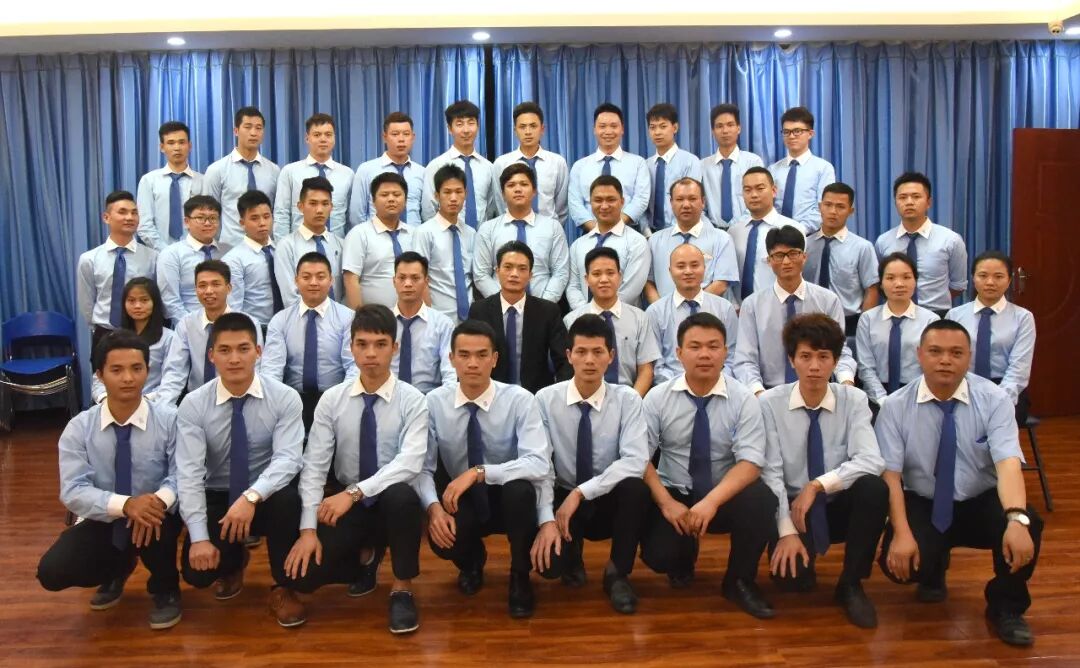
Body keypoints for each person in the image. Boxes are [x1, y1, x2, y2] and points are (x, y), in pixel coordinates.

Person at [876, 320, 1043, 647]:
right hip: (924, 501)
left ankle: (1006, 606)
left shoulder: (994, 399)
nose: (945, 360)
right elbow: (891, 477)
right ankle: (933, 568)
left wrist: (1016, 518)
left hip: (979, 499)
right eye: (935, 351)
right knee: (900, 568)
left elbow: (1008, 465)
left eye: (956, 353)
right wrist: (902, 533)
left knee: (1029, 525)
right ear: (919, 355)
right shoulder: (895, 406)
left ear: (969, 357)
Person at [284, 305, 428, 634]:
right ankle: (366, 558)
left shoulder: (413, 400)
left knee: (403, 496)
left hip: (390, 501)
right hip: (349, 504)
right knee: (304, 578)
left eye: (380, 344)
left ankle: (402, 588)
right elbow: (314, 466)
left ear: (395, 348)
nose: (371, 353)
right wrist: (308, 531)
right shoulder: (333, 399)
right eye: (362, 344)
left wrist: (354, 492)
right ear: (351, 348)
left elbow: (410, 462)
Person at [36, 331, 183, 630]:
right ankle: (115, 569)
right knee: (52, 571)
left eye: (136, 368)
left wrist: (156, 502)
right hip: (107, 515)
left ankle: (166, 588)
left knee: (157, 525)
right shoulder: (79, 428)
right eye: (117, 370)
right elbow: (73, 490)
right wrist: (127, 505)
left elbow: (184, 473)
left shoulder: (170, 419)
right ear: (100, 375)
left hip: (158, 514)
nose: (128, 378)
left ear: (147, 371)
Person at [639, 313, 779, 619]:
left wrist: (712, 502)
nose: (705, 354)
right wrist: (666, 503)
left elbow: (751, 462)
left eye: (713, 346)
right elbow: (639, 457)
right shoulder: (657, 398)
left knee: (761, 498)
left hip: (722, 495)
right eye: (695, 346)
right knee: (659, 556)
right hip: (676, 494)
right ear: (679, 353)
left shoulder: (744, 400)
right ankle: (682, 557)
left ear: (726, 352)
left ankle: (739, 581)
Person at [175, 312, 306, 627]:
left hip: (266, 494)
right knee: (197, 574)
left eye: (243, 349)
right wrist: (198, 537)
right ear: (211, 356)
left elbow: (289, 459)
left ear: (258, 352)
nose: (234, 359)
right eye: (225, 350)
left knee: (288, 500)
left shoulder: (284, 398)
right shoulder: (193, 404)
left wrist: (251, 496)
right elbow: (189, 474)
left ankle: (283, 586)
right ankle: (232, 563)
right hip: (219, 494)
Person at [759, 314, 888, 629]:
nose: (814, 366)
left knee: (874, 488)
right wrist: (786, 531)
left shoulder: (854, 399)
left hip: (836, 502)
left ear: (836, 361)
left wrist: (817, 485)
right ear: (792, 360)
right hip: (794, 508)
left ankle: (851, 584)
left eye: (823, 357)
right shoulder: (770, 403)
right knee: (791, 582)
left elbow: (871, 460)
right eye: (805, 356)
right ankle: (800, 549)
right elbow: (770, 472)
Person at [420, 320, 552, 618]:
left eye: (482, 355)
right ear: (451, 359)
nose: (473, 364)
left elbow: (538, 462)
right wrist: (433, 509)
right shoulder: (434, 403)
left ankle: (520, 575)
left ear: (495, 359)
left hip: (508, 494)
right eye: (464, 355)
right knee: (443, 537)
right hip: (463, 497)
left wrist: (480, 472)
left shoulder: (520, 400)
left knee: (520, 491)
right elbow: (422, 468)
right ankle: (471, 562)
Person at [531, 315, 651, 614]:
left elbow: (635, 460)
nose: (589, 360)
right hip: (562, 494)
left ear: (611, 356)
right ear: (568, 355)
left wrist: (582, 492)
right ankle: (572, 558)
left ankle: (617, 574)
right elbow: (540, 463)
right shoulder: (545, 399)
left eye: (598, 352)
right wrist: (546, 518)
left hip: (605, 494)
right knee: (550, 567)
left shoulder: (628, 400)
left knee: (635, 488)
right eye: (581, 352)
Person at [734, 226, 855, 394]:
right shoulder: (752, 305)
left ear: (804, 257)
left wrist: (846, 384)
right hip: (770, 391)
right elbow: (745, 360)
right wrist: (759, 394)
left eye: (792, 254)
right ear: (769, 261)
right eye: (779, 255)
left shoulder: (828, 300)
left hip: (819, 390)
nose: (786, 262)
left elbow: (839, 351)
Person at [261, 252, 355, 433]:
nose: (313, 282)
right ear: (296, 281)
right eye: (306, 277)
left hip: (336, 399)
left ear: (331, 280)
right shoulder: (280, 320)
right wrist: (275, 404)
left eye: (320, 277)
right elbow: (272, 369)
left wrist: (344, 401)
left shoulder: (348, 318)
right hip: (292, 400)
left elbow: (353, 366)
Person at [468, 241, 572, 394]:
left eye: (522, 269)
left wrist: (555, 396)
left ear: (530, 275)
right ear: (497, 271)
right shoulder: (479, 311)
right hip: (491, 396)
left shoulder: (548, 311)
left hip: (536, 396)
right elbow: (470, 356)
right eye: (508, 267)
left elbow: (565, 360)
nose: (514, 274)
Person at [156, 260, 264, 405]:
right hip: (197, 401)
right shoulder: (187, 324)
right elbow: (175, 372)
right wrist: (162, 409)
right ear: (195, 290)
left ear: (229, 288)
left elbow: (256, 369)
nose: (208, 291)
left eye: (215, 284)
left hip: (239, 398)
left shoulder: (248, 323)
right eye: (202, 285)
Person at [946, 251, 1036, 424]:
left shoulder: (1023, 317)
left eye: (998, 276)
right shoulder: (955, 315)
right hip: (963, 385)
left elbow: (1019, 369)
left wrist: (998, 401)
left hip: (1005, 387)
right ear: (973, 278)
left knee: (996, 423)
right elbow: (950, 359)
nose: (990, 282)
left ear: (1009, 280)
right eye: (983, 275)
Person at [563, 247, 659, 396]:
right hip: (586, 398)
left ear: (620, 276)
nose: (604, 280)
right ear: (586, 279)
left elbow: (646, 370)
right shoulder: (571, 320)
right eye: (596, 274)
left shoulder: (640, 318)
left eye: (610, 273)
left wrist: (631, 402)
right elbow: (567, 370)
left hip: (630, 396)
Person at [473, 162, 570, 302]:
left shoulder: (553, 227)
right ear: (502, 194)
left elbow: (560, 272)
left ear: (534, 191)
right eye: (511, 185)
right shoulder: (487, 229)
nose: (518, 189)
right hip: (499, 308)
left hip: (543, 305)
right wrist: (504, 303)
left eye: (524, 184)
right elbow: (481, 274)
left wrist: (544, 305)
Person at [874, 172, 968, 316]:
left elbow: (958, 286)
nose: (909, 202)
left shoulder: (950, 240)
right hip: (897, 315)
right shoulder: (883, 241)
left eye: (916, 197)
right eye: (902, 197)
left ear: (929, 202)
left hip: (937, 314)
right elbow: (880, 281)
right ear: (895, 203)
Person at [856, 253, 940, 409]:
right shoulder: (868, 319)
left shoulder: (931, 320)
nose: (899, 284)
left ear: (915, 281)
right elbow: (865, 366)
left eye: (906, 277)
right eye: (890, 278)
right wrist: (883, 400)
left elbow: (932, 366)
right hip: (876, 396)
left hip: (918, 396)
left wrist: (912, 398)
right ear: (881, 283)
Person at [78, 190, 158, 351]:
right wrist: (97, 327)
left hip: (141, 333)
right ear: (106, 217)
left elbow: (157, 297)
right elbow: (87, 302)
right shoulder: (89, 259)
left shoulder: (153, 257)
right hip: (104, 333)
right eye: (122, 212)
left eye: (134, 213)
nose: (130, 217)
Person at [647, 244, 740, 382]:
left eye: (695, 265)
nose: (688, 271)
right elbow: (656, 365)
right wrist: (681, 385)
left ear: (704, 268)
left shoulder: (724, 309)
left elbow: (732, 357)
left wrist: (716, 382)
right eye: (681, 266)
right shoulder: (655, 312)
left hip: (719, 385)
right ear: (670, 271)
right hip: (672, 386)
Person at [802, 182, 879, 337]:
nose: (833, 211)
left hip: (848, 323)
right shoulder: (805, 245)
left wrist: (863, 327)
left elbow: (872, 289)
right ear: (820, 207)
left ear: (851, 211)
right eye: (828, 205)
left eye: (840, 207)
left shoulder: (862, 247)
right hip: (809, 321)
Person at [644, 177, 738, 302]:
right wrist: (663, 310)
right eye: (680, 199)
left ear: (703, 202)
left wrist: (692, 307)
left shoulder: (722, 239)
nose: (686, 205)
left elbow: (721, 283)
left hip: (707, 311)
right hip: (664, 312)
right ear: (671, 203)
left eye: (692, 199)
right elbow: (648, 283)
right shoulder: (654, 241)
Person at [567, 103, 650, 241]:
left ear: (622, 129)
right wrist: (597, 229)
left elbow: (641, 199)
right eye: (602, 126)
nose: (608, 131)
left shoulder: (638, 163)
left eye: (613, 126)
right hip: (590, 233)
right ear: (594, 129)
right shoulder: (580, 166)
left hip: (628, 232)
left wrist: (615, 227)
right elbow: (574, 203)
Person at [566, 175, 651, 310]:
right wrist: (587, 313)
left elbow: (631, 289)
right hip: (583, 318)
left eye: (611, 200)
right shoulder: (578, 245)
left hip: (623, 318)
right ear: (591, 203)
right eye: (598, 200)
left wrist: (603, 312)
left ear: (622, 202)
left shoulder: (637, 242)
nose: (604, 206)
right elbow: (573, 286)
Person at [199, 107, 281, 245]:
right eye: (247, 127)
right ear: (236, 131)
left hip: (264, 246)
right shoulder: (216, 170)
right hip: (230, 246)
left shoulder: (274, 171)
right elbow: (209, 213)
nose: (253, 133)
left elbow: (277, 212)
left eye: (258, 128)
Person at [90, 278, 177, 404]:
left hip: (153, 403)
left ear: (155, 302)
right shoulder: (113, 337)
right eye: (131, 300)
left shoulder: (170, 338)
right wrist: (104, 399)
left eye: (144, 300)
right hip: (114, 403)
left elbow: (172, 379)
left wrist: (145, 401)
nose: (137, 306)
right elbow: (99, 377)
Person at [728, 167, 806, 302]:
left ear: (774, 191)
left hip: (777, 306)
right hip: (739, 308)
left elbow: (796, 274)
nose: (753, 195)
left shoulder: (794, 229)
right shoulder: (733, 232)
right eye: (747, 190)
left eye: (760, 188)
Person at [342, 172, 416, 309]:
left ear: (405, 201)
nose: (391, 199)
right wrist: (360, 317)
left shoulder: (414, 234)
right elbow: (351, 280)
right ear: (373, 201)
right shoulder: (359, 234)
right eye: (384, 195)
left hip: (410, 315)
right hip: (373, 318)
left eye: (397, 194)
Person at [412, 164, 476, 323]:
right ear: (436, 195)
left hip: (470, 318)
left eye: (459, 192)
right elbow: (419, 278)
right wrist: (430, 318)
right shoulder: (424, 232)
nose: (453, 198)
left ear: (466, 194)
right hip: (438, 317)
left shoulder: (471, 233)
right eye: (447, 192)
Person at [421, 100, 500, 226]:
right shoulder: (436, 166)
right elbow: (428, 208)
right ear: (449, 129)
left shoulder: (488, 167)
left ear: (478, 126)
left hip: (481, 234)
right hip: (445, 234)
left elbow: (491, 208)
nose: (466, 130)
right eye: (459, 124)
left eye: (471, 123)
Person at [274, 113, 353, 238]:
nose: (323, 139)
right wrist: (283, 246)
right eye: (317, 135)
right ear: (307, 138)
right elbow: (281, 214)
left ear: (334, 138)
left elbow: (350, 218)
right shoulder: (290, 172)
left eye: (328, 135)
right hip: (299, 245)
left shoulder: (347, 174)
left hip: (336, 245)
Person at [156, 195, 230, 323]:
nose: (208, 223)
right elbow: (170, 302)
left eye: (213, 218)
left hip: (228, 324)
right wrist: (194, 326)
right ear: (186, 222)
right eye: (200, 218)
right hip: (188, 324)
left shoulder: (228, 251)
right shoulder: (171, 254)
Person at [492, 102, 569, 223]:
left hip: (548, 230)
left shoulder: (557, 162)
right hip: (512, 230)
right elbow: (500, 204)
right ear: (515, 130)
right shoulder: (501, 164)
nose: (528, 132)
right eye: (522, 127)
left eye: (533, 126)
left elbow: (561, 207)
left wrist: (552, 228)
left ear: (542, 129)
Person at [391, 252, 456, 393]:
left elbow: (450, 374)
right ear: (394, 281)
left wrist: (440, 401)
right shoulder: (382, 322)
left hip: (429, 397)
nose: (408, 284)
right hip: (389, 397)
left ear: (426, 281)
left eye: (415, 278)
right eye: (402, 278)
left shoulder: (443, 324)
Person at [274, 176, 345, 306]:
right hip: (302, 317)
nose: (319, 210)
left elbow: (345, 291)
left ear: (331, 207)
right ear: (300, 206)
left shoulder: (341, 245)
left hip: (338, 317)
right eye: (313, 203)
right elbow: (290, 297)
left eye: (325, 204)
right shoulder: (286, 246)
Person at [348, 111, 425, 227]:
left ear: (413, 137)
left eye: (406, 134)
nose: (401, 139)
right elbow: (356, 214)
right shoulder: (366, 170)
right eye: (395, 134)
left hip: (414, 236)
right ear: (384, 137)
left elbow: (426, 212)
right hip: (376, 236)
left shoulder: (422, 172)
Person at [136, 121, 204, 251]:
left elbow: (208, 220)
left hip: (195, 253)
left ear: (190, 146)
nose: (177, 148)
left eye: (182, 142)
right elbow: (144, 225)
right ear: (162, 147)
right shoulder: (149, 181)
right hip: (159, 253)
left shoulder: (202, 181)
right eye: (171, 143)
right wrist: (166, 252)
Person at [767, 107, 836, 233]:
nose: (791, 136)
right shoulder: (773, 169)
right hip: (776, 235)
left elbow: (824, 207)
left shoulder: (823, 168)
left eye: (797, 131)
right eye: (786, 132)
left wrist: (799, 231)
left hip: (809, 235)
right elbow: (767, 205)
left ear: (810, 133)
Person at [222, 190, 284, 329]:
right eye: (254, 218)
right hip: (254, 328)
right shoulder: (234, 260)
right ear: (242, 222)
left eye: (266, 217)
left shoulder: (282, 251)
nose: (262, 223)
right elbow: (234, 306)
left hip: (286, 326)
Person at [700, 104, 764, 227]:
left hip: (746, 228)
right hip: (713, 231)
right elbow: (699, 204)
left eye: (730, 125)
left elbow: (759, 199)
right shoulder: (702, 166)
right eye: (719, 126)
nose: (725, 131)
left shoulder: (753, 162)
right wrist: (711, 229)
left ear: (738, 128)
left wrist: (737, 227)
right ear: (713, 131)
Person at [644, 103, 703, 233]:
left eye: (663, 126)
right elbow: (642, 202)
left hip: (681, 231)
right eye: (652, 127)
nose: (657, 132)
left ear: (675, 128)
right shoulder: (645, 165)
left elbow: (691, 200)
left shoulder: (690, 161)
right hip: (650, 233)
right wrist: (647, 232)